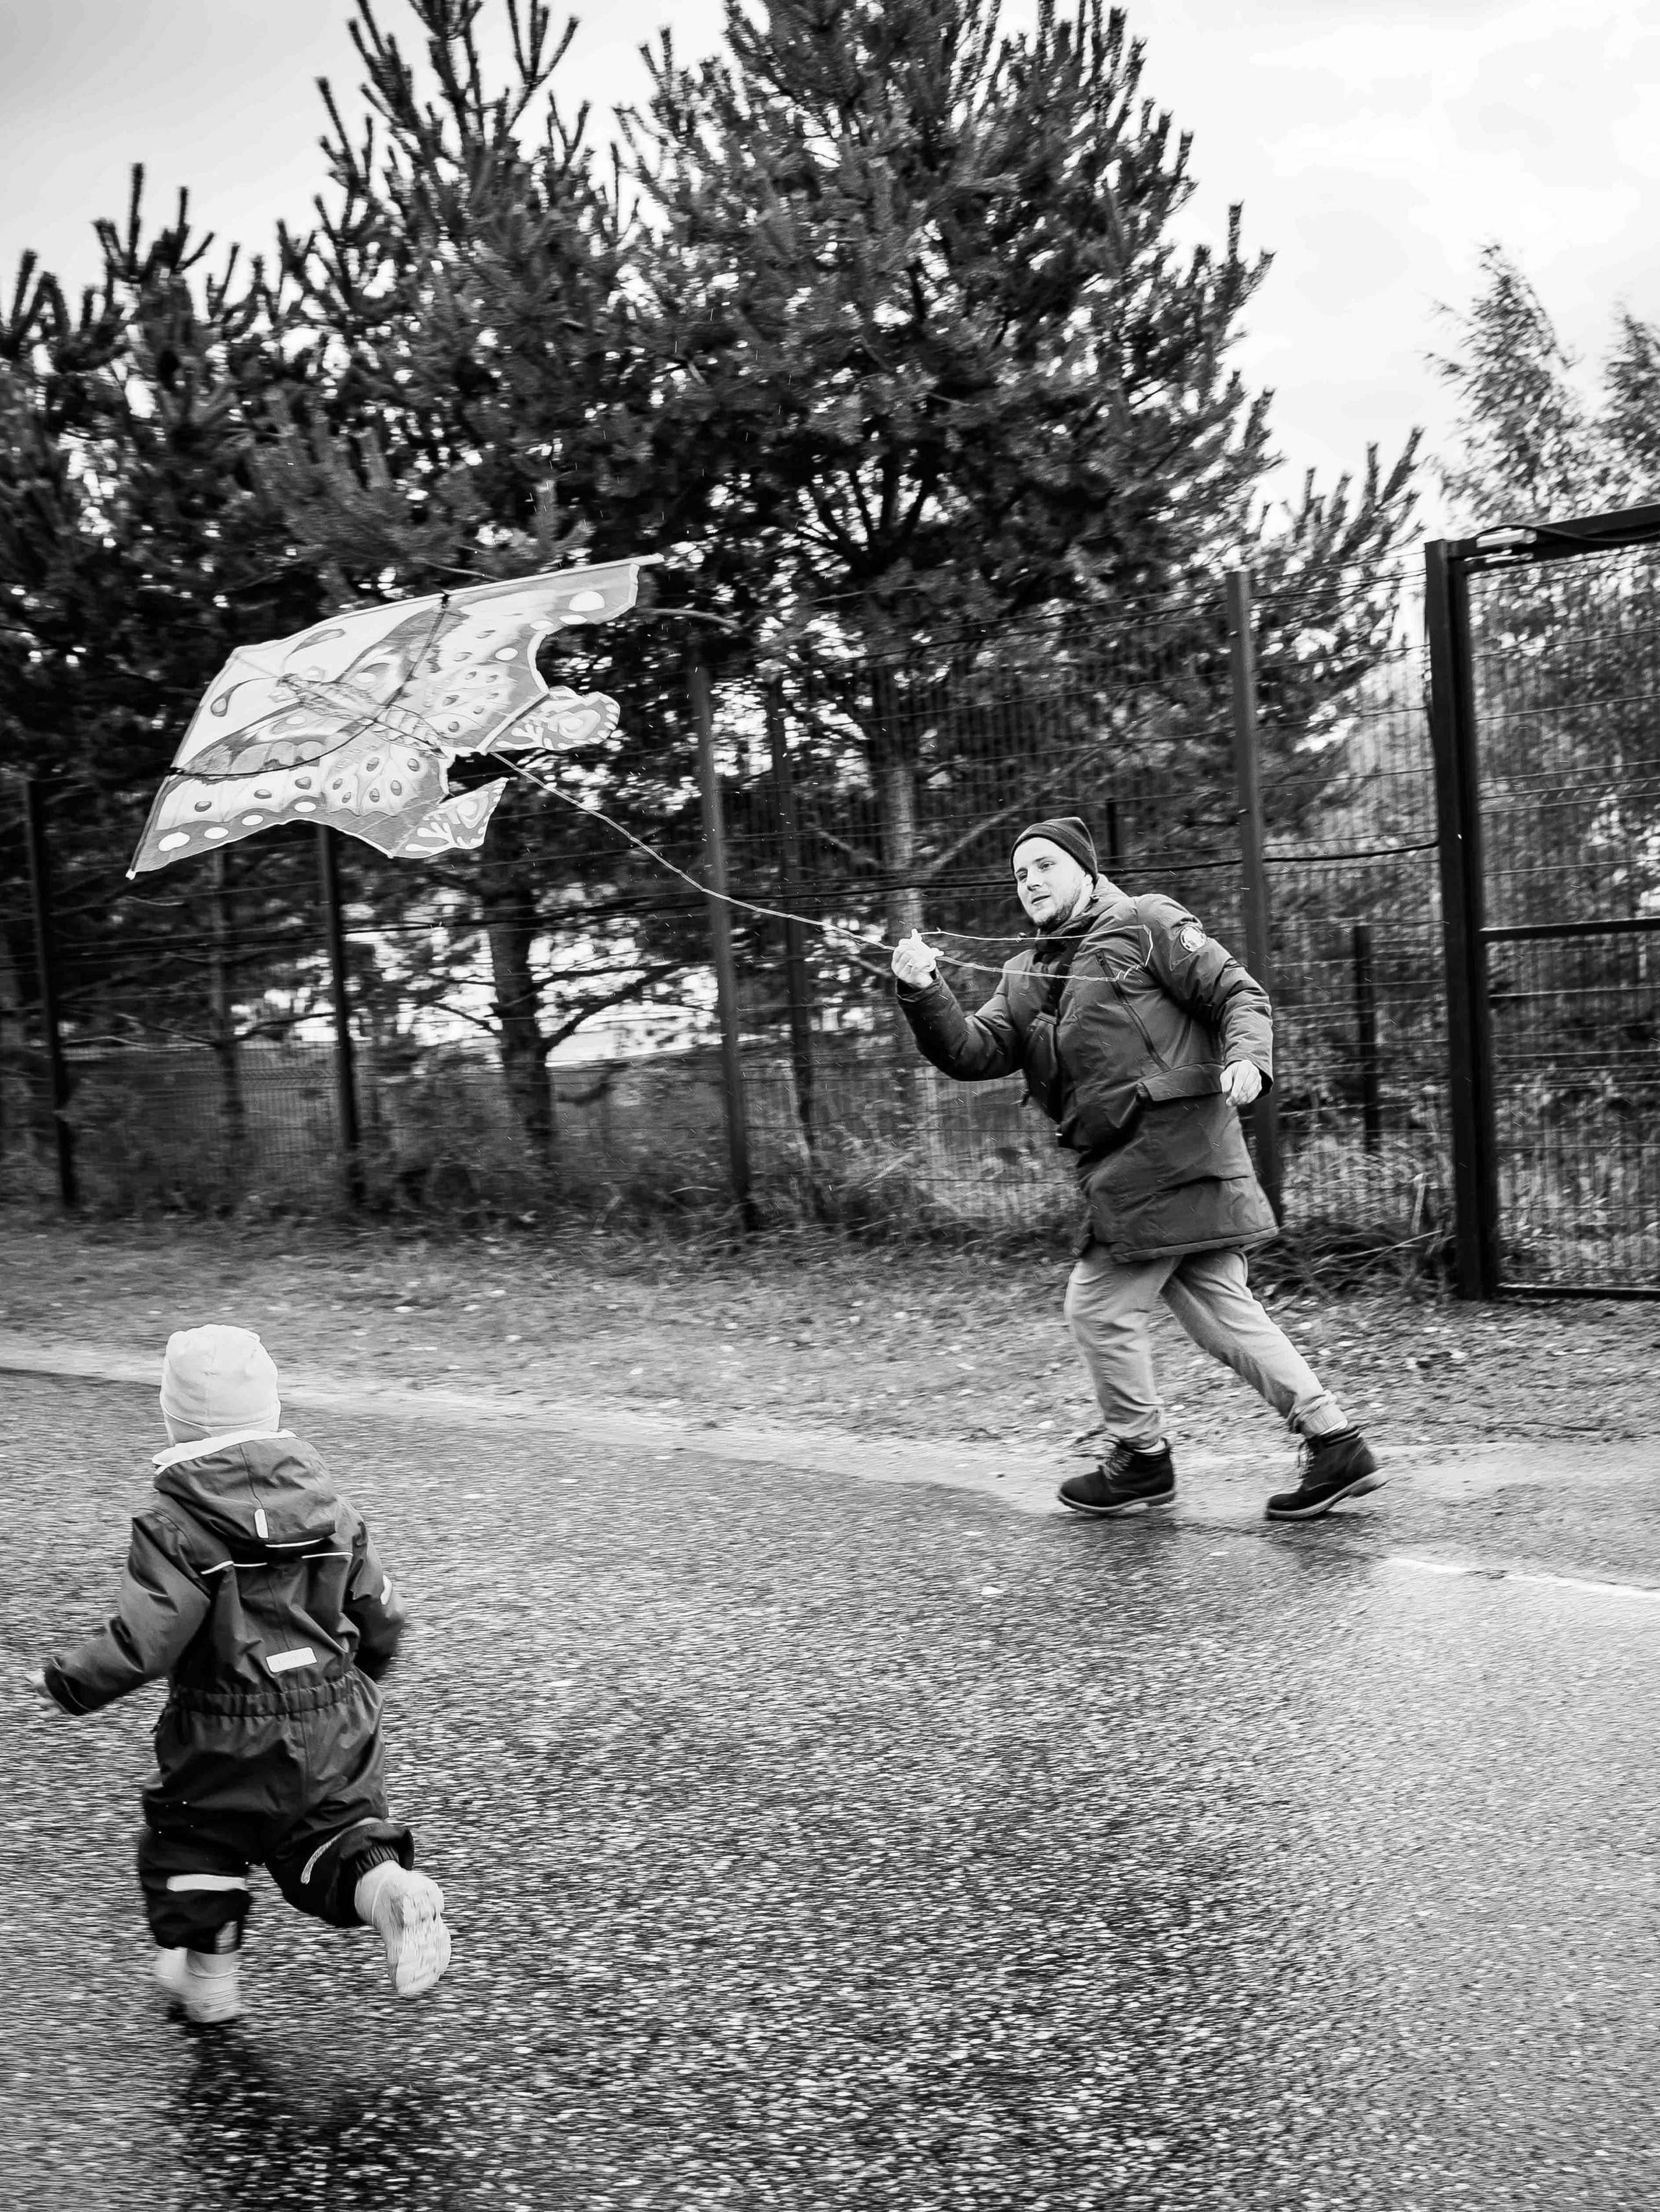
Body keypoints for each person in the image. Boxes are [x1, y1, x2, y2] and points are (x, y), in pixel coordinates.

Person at [890, 815, 1381, 1522]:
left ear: (1085, 871)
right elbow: (973, 1051)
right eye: (1019, 873)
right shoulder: (1024, 973)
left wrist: (1248, 1056)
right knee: (1219, 1310)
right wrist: (923, 990)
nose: (1028, 879)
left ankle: (1141, 1459)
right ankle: (1334, 1442)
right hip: (1128, 1163)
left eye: (1044, 865)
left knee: (1096, 1306)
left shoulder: (1145, 922)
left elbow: (1238, 994)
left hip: (1171, 1149)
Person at [26, 1323, 449, 2025]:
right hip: (335, 1717)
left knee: (193, 1843)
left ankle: (211, 1981)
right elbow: (379, 1610)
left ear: (176, 1420)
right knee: (333, 1836)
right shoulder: (333, 1511)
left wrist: (71, 1679)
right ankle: (387, 1890)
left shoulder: (175, 1526)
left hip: (222, 1732)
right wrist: (368, 1667)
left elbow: (148, 1636)